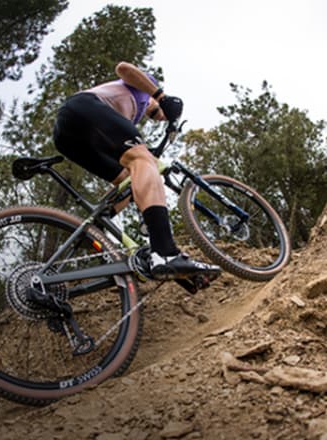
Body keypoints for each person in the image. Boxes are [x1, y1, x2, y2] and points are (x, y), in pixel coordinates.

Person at [53, 61, 220, 282]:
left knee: (129, 179)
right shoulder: (142, 89)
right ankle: (165, 252)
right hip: (83, 108)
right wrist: (161, 97)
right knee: (143, 161)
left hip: (69, 136)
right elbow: (123, 69)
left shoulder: (127, 115)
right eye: (158, 114)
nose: (160, 117)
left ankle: (95, 228)